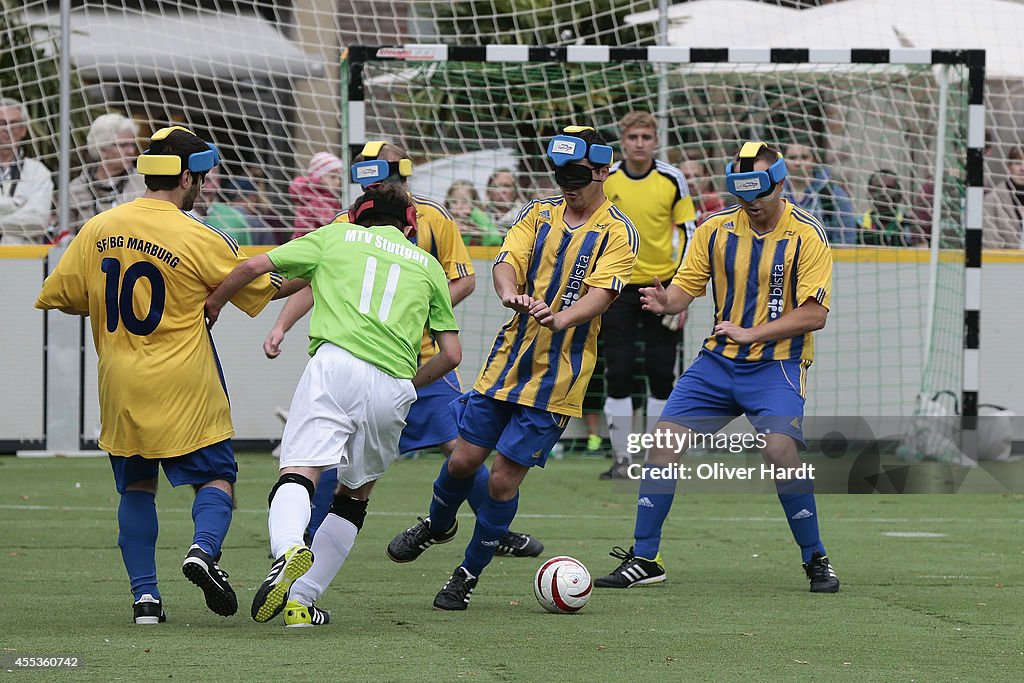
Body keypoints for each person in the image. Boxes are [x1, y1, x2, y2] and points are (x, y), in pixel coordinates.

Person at [34, 126, 298, 624]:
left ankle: (146, 601)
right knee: (217, 479)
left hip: (119, 384)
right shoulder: (198, 235)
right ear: (184, 178)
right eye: (202, 175)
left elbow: (59, 296)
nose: (206, 184)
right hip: (185, 385)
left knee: (136, 489)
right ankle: (202, 550)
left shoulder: (97, 227)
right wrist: (322, 260)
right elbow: (268, 287)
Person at [386, 126, 638, 611]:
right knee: (461, 460)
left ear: (603, 171)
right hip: (506, 363)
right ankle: (436, 525)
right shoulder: (538, 212)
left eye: (578, 175)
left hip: (556, 380)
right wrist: (508, 293)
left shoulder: (618, 231)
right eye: (560, 173)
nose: (567, 183)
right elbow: (507, 261)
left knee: (502, 481)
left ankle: (466, 574)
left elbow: (603, 295)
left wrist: (559, 316)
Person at [269, 141, 543, 560]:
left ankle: (495, 529)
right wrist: (281, 325)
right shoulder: (347, 221)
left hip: (424, 360)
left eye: (375, 172)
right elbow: (313, 279)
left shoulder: (434, 216)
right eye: (361, 173)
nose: (368, 182)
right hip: (366, 358)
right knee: (328, 452)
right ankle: (300, 540)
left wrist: (414, 316)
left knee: (460, 449)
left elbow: (464, 279)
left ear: (401, 174)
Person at [205, 182, 463, 627]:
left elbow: (252, 266)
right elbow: (452, 355)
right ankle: (302, 601)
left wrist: (215, 301)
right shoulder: (428, 265)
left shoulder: (335, 235)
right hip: (394, 384)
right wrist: (408, 385)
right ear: (409, 224)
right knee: (355, 494)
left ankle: (289, 550)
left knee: (299, 471)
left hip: (335, 366)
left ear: (358, 215)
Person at [594, 141, 840, 594]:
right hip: (718, 363)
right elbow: (685, 289)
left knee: (780, 450)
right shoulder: (715, 229)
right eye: (742, 197)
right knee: (663, 443)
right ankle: (646, 557)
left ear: (781, 184)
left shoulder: (807, 233)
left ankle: (815, 557)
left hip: (777, 365)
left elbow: (815, 314)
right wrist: (664, 300)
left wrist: (754, 332)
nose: (750, 206)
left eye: (759, 196)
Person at [599, 111, 698, 479]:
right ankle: (623, 459)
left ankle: (660, 459)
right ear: (622, 141)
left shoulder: (672, 179)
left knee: (662, 373)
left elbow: (689, 232)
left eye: (646, 137)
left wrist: (680, 291)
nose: (639, 143)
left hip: (663, 287)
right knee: (619, 372)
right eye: (633, 137)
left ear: (656, 141)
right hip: (617, 288)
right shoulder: (607, 179)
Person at [67, 113, 145, 238]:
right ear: (102, 149)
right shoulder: (77, 188)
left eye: (132, 144)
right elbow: (64, 238)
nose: (131, 151)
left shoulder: (144, 184)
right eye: (123, 145)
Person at [782, 141, 857, 245]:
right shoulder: (776, 194)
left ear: (814, 160)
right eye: (792, 158)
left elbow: (847, 238)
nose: (798, 163)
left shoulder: (833, 194)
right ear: (784, 161)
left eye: (804, 157)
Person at [0, 97, 53, 244]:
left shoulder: (38, 172)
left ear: (23, 130)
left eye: (14, 123)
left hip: (26, 260)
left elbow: (38, 221)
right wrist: (14, 206)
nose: (7, 129)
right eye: (1, 123)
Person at [859, 169, 924, 246]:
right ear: (869, 194)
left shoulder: (912, 227)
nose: (883, 194)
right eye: (877, 189)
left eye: (889, 189)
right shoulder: (857, 226)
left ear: (900, 195)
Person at [289, 151, 344, 239]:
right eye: (333, 177)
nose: (338, 181)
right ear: (318, 177)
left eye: (339, 177)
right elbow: (332, 222)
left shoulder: (323, 197)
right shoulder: (316, 200)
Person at [983, 145, 1024, 249]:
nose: (1022, 168)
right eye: (1018, 163)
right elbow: (990, 242)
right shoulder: (993, 199)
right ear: (1009, 166)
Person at [445, 179, 503, 246]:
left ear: (474, 203)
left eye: (465, 202)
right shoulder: (445, 218)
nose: (459, 206)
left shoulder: (477, 216)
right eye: (454, 202)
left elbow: (496, 241)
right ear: (448, 203)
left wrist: (478, 232)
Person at [679, 157, 725, 224]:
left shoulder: (718, 210)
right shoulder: (670, 208)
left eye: (697, 176)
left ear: (706, 178)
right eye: (685, 176)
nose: (691, 182)